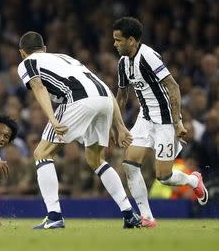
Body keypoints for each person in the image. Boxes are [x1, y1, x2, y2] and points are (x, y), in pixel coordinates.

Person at [17, 31, 139, 229]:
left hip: (78, 100)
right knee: (96, 160)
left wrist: (52, 118)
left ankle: (54, 215)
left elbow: (38, 87)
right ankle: (129, 214)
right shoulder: (65, 58)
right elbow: (104, 87)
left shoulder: (27, 63)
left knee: (42, 154)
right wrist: (120, 126)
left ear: (22, 53)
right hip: (105, 100)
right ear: (45, 49)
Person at [112, 17, 209, 228]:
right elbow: (121, 97)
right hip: (145, 118)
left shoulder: (148, 57)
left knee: (163, 176)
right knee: (129, 163)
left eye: (119, 40)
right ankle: (147, 217)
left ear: (131, 40)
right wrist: (117, 126)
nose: (115, 44)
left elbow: (173, 87)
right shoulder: (123, 63)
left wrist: (177, 124)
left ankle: (193, 181)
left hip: (166, 121)